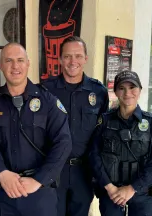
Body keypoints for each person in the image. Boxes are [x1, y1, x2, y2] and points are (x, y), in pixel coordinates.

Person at [0, 42, 72, 216]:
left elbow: (63, 143)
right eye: (9, 60)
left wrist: (38, 180)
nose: (15, 66)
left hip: (39, 193)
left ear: (28, 63)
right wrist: (1, 172)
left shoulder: (48, 101)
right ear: (0, 65)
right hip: (4, 191)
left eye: (20, 60)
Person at [43, 36, 109, 216]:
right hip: (53, 170)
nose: (73, 61)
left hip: (84, 172)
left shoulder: (99, 92)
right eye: (68, 56)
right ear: (60, 59)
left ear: (85, 59)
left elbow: (101, 134)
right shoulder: (45, 90)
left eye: (78, 56)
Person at [90, 71, 152, 216]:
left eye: (132, 87)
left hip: (142, 196)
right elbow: (93, 155)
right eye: (122, 88)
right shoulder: (104, 121)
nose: (127, 93)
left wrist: (131, 188)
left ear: (140, 90)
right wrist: (110, 187)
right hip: (111, 195)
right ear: (116, 92)